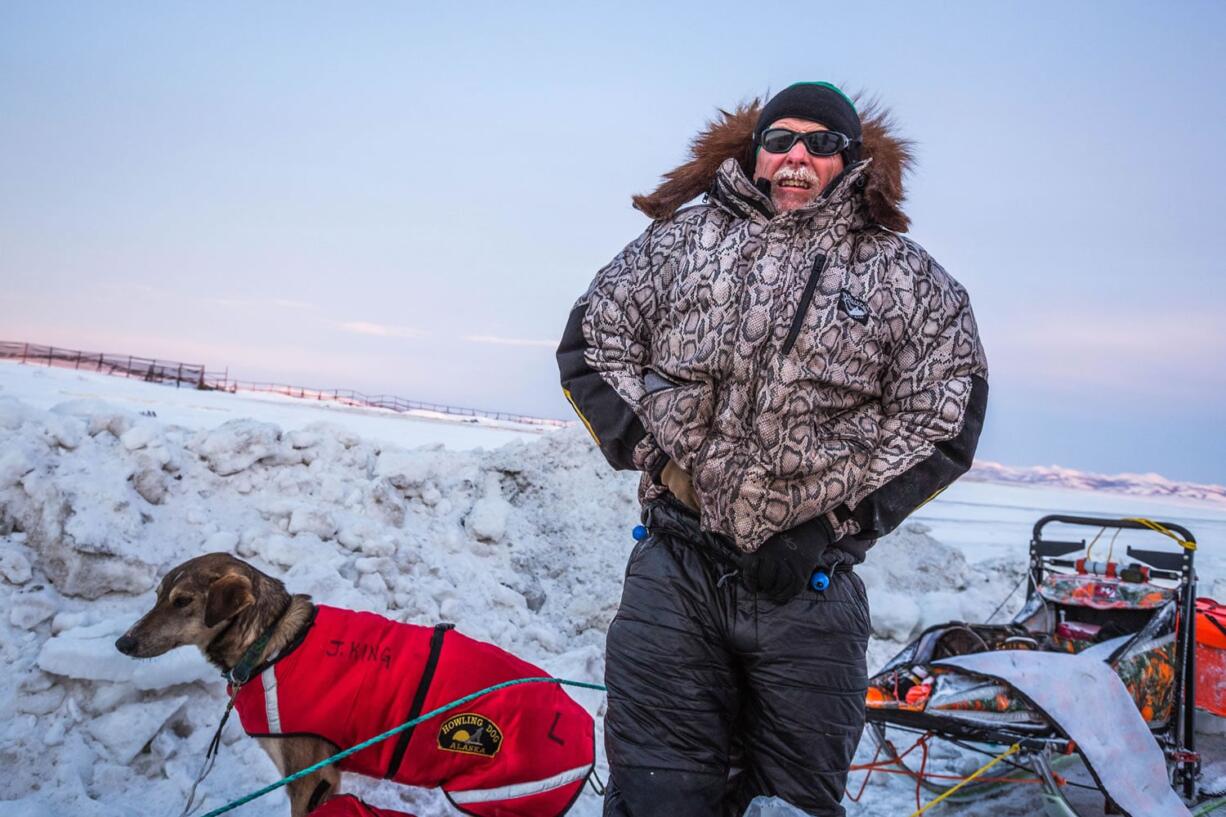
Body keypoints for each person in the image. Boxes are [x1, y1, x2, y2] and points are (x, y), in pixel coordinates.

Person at [556, 82, 988, 817]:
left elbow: (945, 416)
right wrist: (656, 459)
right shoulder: (680, 243)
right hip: (675, 570)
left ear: (849, 161)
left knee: (791, 803)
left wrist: (834, 525)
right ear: (755, 154)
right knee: (657, 791)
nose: (797, 156)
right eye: (781, 138)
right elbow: (592, 345)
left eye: (820, 144)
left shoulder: (905, 278)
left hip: (809, 587)